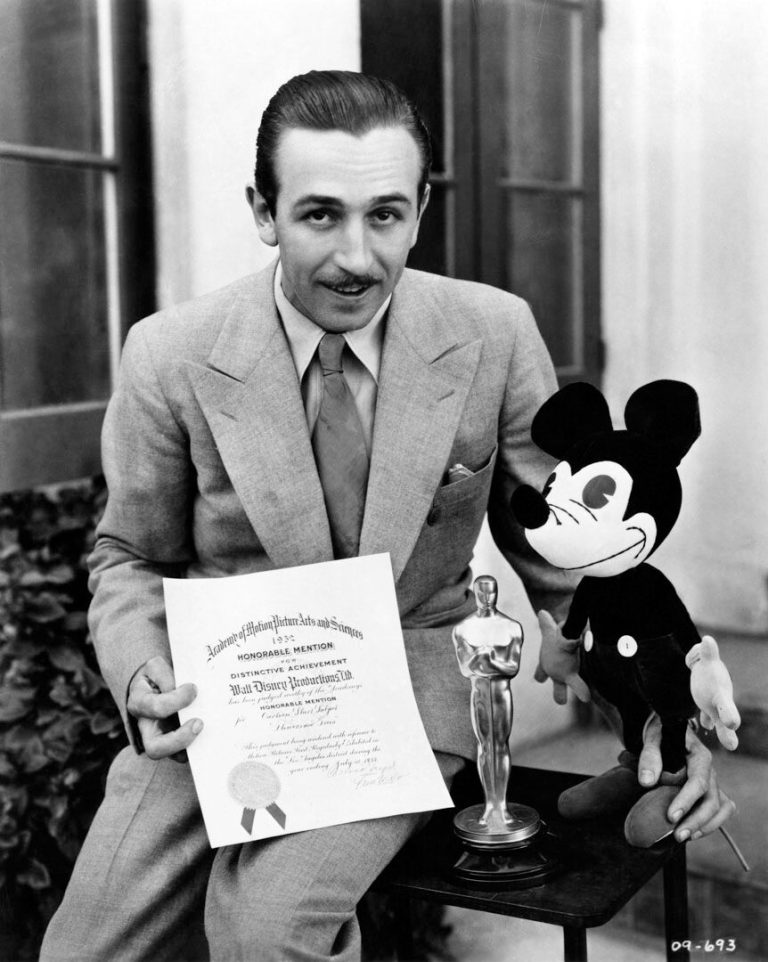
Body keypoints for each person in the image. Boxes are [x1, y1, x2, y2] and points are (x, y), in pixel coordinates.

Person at [41, 70, 734, 962]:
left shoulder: (492, 333)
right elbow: (129, 555)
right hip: (223, 699)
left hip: (409, 693)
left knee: (266, 931)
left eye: (386, 215)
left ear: (420, 212)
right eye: (320, 215)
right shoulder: (169, 354)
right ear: (263, 211)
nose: (358, 257)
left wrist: (667, 725)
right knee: (86, 946)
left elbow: (576, 563)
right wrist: (145, 675)